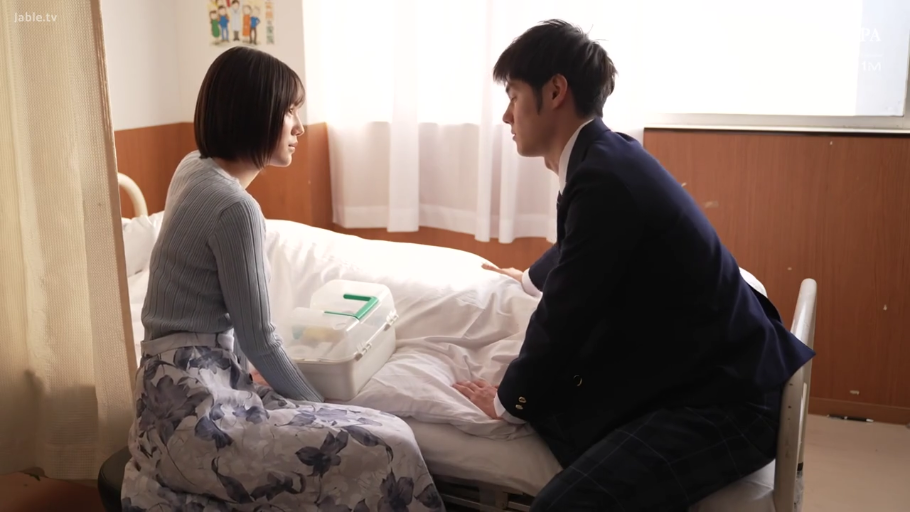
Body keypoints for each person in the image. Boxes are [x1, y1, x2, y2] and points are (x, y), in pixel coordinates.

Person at [454, 20, 815, 511]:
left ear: (555, 91)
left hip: (729, 402)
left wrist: (508, 402)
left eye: (513, 96)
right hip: (724, 364)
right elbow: (582, 250)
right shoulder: (607, 154)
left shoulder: (602, 179)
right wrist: (530, 277)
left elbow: (564, 316)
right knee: (569, 414)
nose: (505, 115)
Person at [121, 47, 443, 512]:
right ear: (255, 113)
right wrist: (316, 404)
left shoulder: (192, 168)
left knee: (381, 431)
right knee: (391, 442)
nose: (300, 127)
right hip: (198, 413)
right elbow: (260, 338)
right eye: (290, 111)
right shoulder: (235, 208)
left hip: (160, 402)